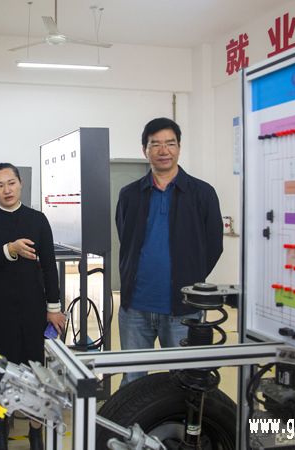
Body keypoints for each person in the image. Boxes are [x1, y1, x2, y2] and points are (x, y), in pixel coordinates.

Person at [116, 117, 223, 385]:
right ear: (145, 150)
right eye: (155, 144)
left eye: (170, 143)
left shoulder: (202, 193)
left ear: (179, 148)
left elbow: (214, 245)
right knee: (132, 381)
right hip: (135, 308)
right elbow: (126, 238)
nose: (163, 150)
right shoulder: (130, 195)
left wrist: (190, 276)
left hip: (182, 309)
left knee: (183, 383)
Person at [0, 163, 65, 450]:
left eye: (11, 183)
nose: (6, 190)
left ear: (21, 183)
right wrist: (10, 249)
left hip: (31, 310)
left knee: (34, 372)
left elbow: (49, 266)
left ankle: (35, 432)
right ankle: (1, 428)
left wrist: (53, 307)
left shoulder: (37, 220)